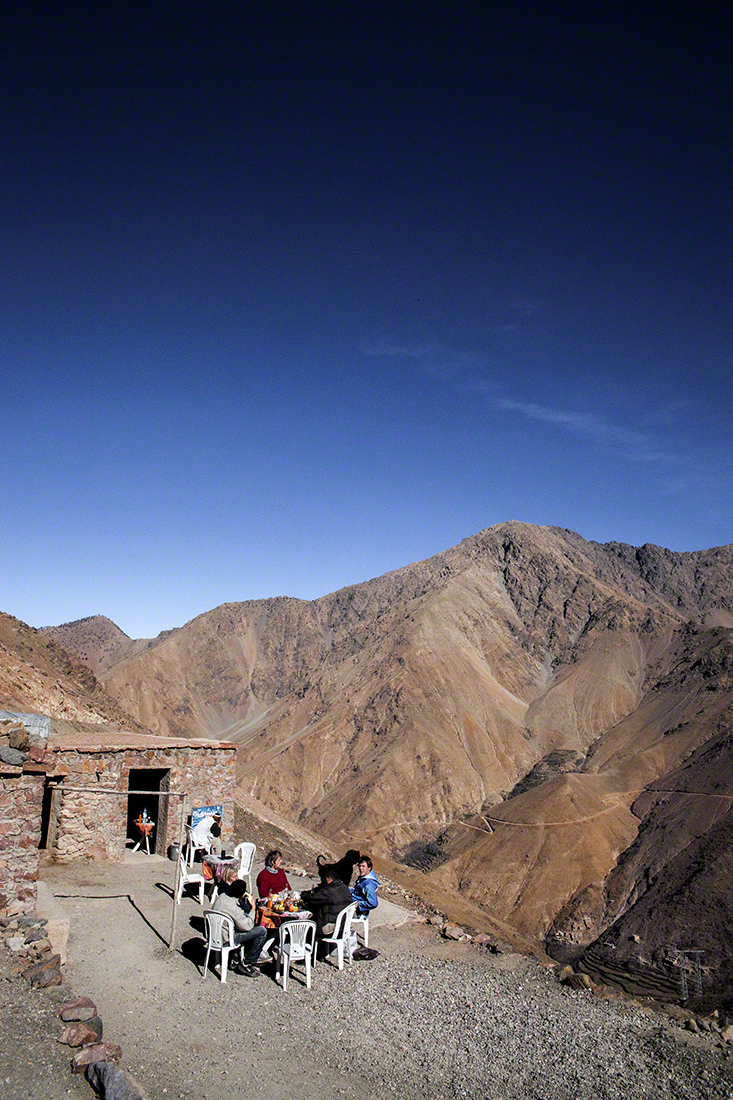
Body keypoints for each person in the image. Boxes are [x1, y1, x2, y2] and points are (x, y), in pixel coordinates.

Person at [211, 878, 267, 977]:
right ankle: (248, 963)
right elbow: (247, 926)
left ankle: (236, 957)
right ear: (242, 893)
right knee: (261, 931)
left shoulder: (222, 897)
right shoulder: (233, 907)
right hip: (226, 938)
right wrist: (253, 908)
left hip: (213, 934)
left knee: (240, 922)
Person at [300, 867, 353, 939]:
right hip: (343, 925)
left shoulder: (329, 890)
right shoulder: (344, 887)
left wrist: (303, 895)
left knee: (305, 927)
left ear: (329, 878)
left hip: (330, 926)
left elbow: (313, 898)